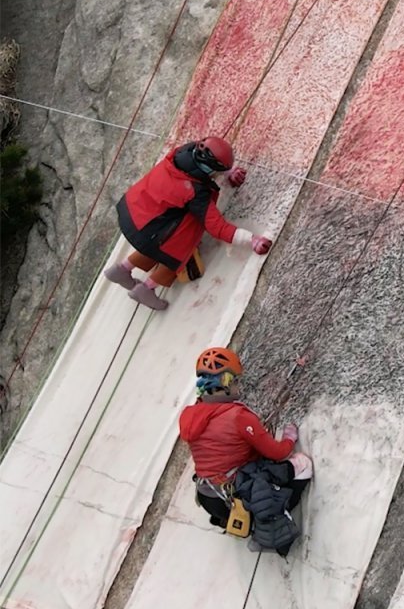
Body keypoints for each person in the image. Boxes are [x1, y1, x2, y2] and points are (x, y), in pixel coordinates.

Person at [102, 136, 273, 310]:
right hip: (146, 227)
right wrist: (251, 239)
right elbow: (216, 227)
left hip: (133, 209)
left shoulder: (183, 152)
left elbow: (207, 161)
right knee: (176, 248)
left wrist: (229, 171)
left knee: (155, 240)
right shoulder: (195, 193)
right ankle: (146, 289)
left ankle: (122, 269)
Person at [179, 347, 312, 556]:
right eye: (236, 381)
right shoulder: (238, 416)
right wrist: (289, 438)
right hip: (239, 496)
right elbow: (278, 453)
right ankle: (278, 513)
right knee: (302, 465)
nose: (239, 385)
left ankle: (245, 521)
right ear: (226, 383)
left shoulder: (189, 415)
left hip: (210, 498)